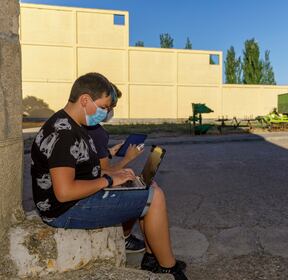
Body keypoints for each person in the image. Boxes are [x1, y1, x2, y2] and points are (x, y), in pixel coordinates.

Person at [30, 72, 187, 280]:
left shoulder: (72, 124)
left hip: (72, 201)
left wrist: (118, 174)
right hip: (64, 210)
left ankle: (153, 259)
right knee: (155, 197)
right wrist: (109, 180)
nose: (105, 112)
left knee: (146, 188)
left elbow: (79, 170)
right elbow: (65, 192)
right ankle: (169, 268)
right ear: (85, 100)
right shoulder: (64, 133)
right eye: (103, 107)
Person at [85, 84, 146, 253]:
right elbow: (105, 171)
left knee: (135, 182)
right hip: (89, 192)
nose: (109, 112)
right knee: (140, 190)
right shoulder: (97, 132)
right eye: (108, 107)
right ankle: (124, 237)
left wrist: (109, 153)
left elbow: (93, 162)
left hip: (85, 183)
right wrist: (128, 158)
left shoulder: (87, 128)